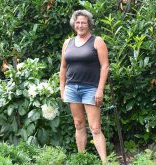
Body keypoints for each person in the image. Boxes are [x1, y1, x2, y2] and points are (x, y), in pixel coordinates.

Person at [59, 10, 109, 162]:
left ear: (89, 24)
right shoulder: (68, 43)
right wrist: (62, 88)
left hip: (90, 88)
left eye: (83, 22)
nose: (80, 25)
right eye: (78, 22)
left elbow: (105, 66)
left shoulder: (97, 41)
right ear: (74, 24)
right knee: (78, 124)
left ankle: (105, 162)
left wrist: (100, 89)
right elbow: (63, 67)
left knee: (95, 128)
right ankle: (81, 159)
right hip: (72, 88)